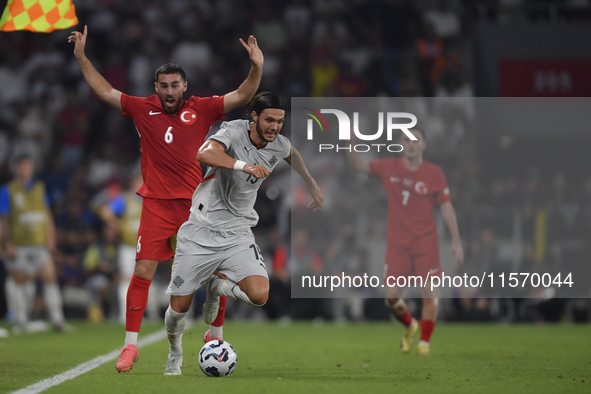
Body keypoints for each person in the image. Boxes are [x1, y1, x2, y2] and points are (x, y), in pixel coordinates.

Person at [68, 25, 264, 372]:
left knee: (216, 271)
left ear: (184, 87)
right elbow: (104, 90)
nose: (170, 91)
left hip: (199, 206)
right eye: (164, 86)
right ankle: (130, 346)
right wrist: (82, 57)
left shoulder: (201, 108)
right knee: (143, 270)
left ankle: (214, 335)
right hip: (157, 204)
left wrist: (256, 68)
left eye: (175, 85)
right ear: (155, 88)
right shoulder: (142, 108)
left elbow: (241, 96)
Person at [162, 92, 324, 375]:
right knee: (178, 310)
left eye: (280, 121)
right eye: (269, 120)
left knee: (260, 294)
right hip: (201, 230)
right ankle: (175, 354)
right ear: (254, 117)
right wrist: (244, 165)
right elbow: (204, 153)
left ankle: (216, 287)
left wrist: (310, 182)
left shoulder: (278, 143)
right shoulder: (234, 131)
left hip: (238, 232)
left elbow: (290, 153)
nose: (275, 126)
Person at [348, 129, 463, 356]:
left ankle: (425, 343)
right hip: (398, 244)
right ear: (400, 145)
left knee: (429, 295)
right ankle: (411, 325)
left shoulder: (434, 173)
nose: (410, 144)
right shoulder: (388, 166)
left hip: (425, 242)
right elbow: (358, 166)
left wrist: (456, 241)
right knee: (391, 298)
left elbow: (446, 205)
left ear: (424, 145)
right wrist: (349, 143)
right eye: (405, 140)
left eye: (415, 140)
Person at [0, 155, 70, 333]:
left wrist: (51, 238)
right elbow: (4, 220)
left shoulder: (40, 188)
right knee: (20, 280)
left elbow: (47, 215)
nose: (26, 170)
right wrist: (6, 243)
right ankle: (22, 319)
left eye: (29, 166)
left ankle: (58, 319)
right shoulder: (8, 191)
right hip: (19, 245)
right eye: (23, 166)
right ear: (17, 169)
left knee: (50, 277)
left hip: (39, 244)